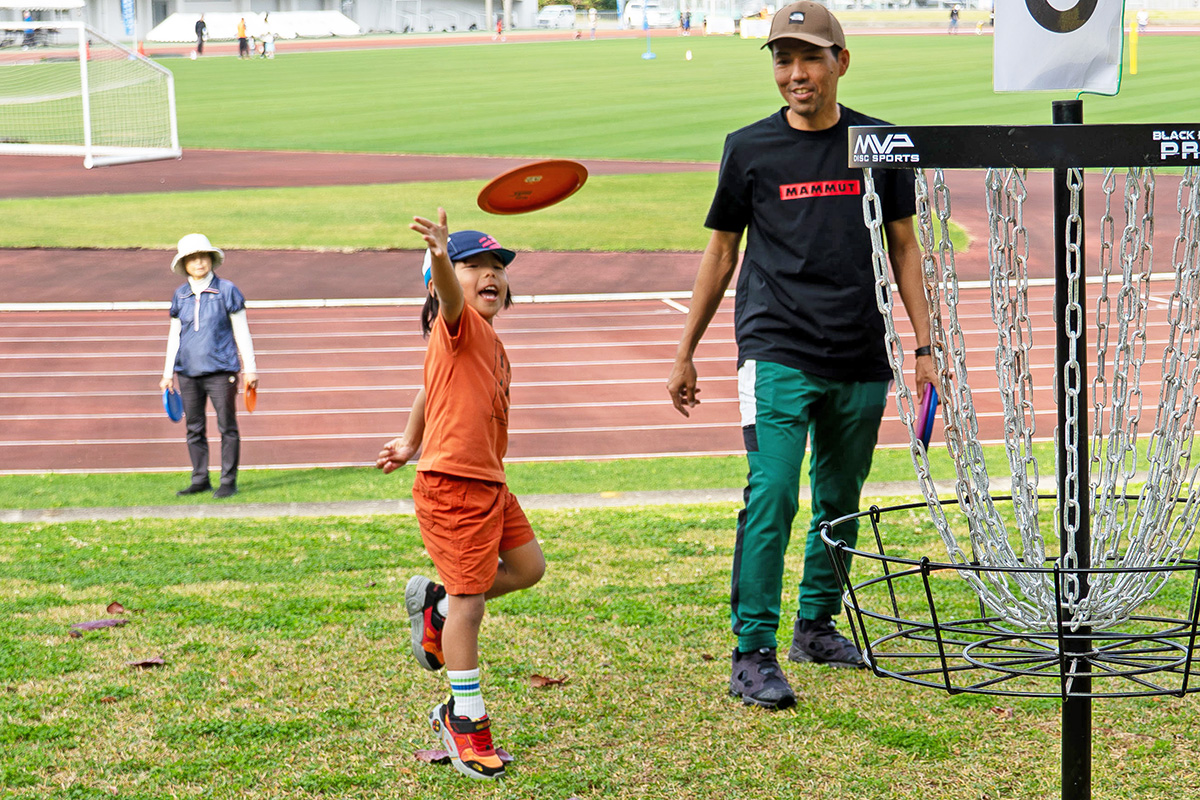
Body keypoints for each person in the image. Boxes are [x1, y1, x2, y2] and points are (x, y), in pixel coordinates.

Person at [666, 0, 933, 710]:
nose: (796, 73)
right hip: (776, 343)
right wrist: (685, 350)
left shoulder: (880, 143)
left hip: (860, 348)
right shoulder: (748, 148)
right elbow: (721, 252)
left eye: (810, 57)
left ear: (841, 62)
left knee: (840, 501)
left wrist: (925, 345)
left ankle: (815, 626)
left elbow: (904, 245)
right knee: (775, 492)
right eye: (783, 60)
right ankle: (752, 650)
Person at [377, 212, 545, 780]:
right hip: (454, 487)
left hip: (490, 483)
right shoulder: (460, 323)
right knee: (473, 604)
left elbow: (429, 390)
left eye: (497, 267)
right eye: (476, 266)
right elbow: (450, 296)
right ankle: (464, 718)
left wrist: (407, 440)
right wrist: (444, 259)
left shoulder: (489, 342)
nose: (490, 275)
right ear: (444, 277)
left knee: (527, 567)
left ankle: (437, 609)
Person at [160, 234, 258, 499]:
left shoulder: (227, 290)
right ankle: (200, 478)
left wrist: (250, 369)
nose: (198, 262)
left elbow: (242, 332)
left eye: (202, 256)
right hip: (187, 373)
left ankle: (228, 481)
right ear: (185, 264)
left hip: (221, 371)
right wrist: (168, 372)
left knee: (227, 426)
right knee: (194, 428)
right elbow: (174, 335)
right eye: (192, 258)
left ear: (211, 259)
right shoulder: (180, 295)